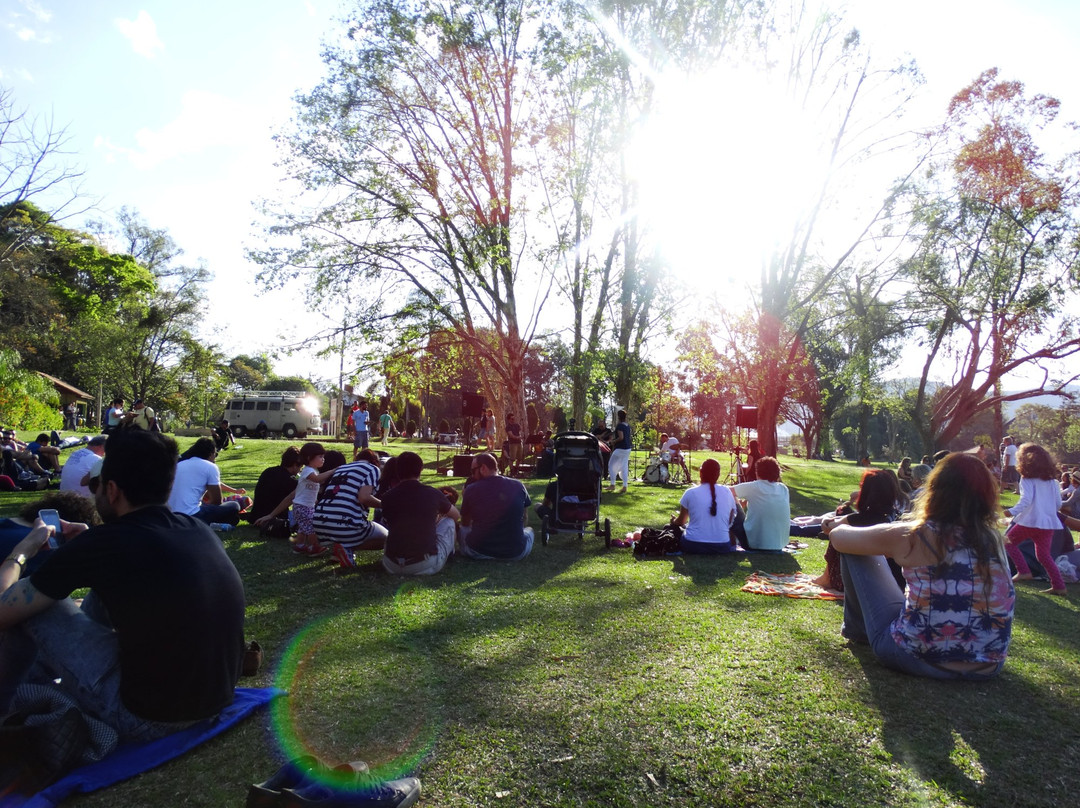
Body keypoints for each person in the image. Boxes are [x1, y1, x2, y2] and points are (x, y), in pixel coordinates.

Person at [0, 429, 245, 758]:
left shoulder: (105, 545)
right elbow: (121, 558)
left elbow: (4, 611)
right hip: (214, 701)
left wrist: (21, 552)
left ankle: (6, 707)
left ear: (112, 490)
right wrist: (86, 543)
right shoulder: (195, 529)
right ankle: (35, 686)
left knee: (37, 606)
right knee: (97, 591)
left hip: (148, 718)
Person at [829, 452, 1015, 680]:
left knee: (853, 549)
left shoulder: (917, 535)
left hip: (914, 657)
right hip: (988, 667)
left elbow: (839, 537)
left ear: (934, 490)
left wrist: (864, 533)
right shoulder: (994, 540)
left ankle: (858, 632)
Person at [810, 470, 904, 591]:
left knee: (839, 533)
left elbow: (829, 526)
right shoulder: (894, 516)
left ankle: (827, 578)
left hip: (867, 584)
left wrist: (825, 521)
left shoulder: (859, 520)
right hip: (895, 584)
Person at [380, 451, 460, 575]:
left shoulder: (386, 497)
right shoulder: (432, 493)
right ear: (421, 469)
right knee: (449, 521)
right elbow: (456, 516)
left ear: (397, 471)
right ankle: (449, 556)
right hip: (423, 564)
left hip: (391, 565)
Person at [1003, 443, 1067, 595]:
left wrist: (1011, 511)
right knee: (1044, 555)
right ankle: (1059, 586)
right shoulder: (1053, 482)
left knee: (1007, 542)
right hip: (1048, 523)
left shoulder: (1027, 479)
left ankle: (1023, 570)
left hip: (1031, 521)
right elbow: (1058, 504)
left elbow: (1026, 500)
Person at [312, 453, 388, 568]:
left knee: (345, 530)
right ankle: (348, 548)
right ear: (375, 462)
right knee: (388, 538)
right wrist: (386, 505)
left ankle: (339, 550)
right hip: (345, 523)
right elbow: (364, 497)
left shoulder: (341, 468)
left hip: (319, 522)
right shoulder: (373, 469)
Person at [459, 453, 533, 560]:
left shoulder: (471, 489)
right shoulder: (518, 485)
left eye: (473, 471)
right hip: (514, 553)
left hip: (477, 551)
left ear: (483, 468)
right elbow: (524, 516)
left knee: (463, 529)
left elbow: (465, 523)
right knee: (529, 530)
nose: (472, 475)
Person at [166, 438, 242, 525]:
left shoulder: (179, 465)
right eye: (215, 454)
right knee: (234, 505)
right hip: (192, 515)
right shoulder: (210, 467)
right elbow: (217, 501)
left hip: (170, 515)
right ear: (211, 454)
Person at [670, 458, 737, 554]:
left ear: (700, 473)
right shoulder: (727, 492)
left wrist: (673, 521)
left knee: (671, 528)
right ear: (718, 475)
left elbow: (681, 521)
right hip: (722, 545)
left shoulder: (690, 492)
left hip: (693, 544)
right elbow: (729, 521)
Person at [730, 456, 790, 551]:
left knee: (732, 498)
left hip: (755, 543)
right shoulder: (783, 489)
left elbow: (724, 492)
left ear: (757, 472)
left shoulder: (754, 487)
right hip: (779, 544)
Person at [245, 447, 303, 525]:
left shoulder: (268, 471)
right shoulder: (290, 480)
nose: (300, 470)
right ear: (295, 465)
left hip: (256, 516)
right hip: (275, 519)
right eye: (301, 467)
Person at [606, 409, 631, 493]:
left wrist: (613, 441)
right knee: (624, 467)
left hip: (620, 448)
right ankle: (624, 486)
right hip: (627, 448)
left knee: (611, 465)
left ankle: (612, 485)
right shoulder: (627, 425)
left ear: (618, 417)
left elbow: (621, 437)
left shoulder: (620, 426)